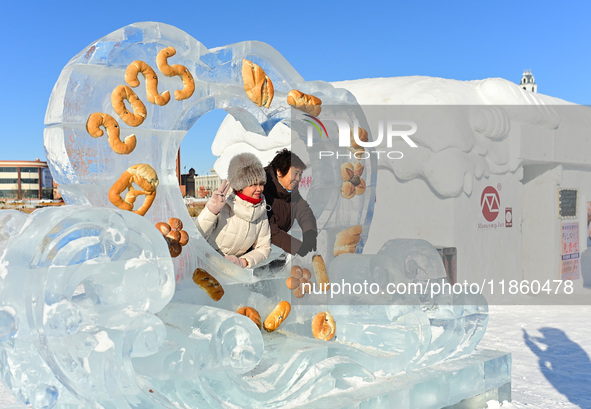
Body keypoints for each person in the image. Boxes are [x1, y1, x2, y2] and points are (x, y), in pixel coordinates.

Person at [195, 153, 271, 268]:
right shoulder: (222, 203)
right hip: (205, 264)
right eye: (253, 184)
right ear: (240, 184)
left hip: (233, 270)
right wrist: (211, 211)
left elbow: (264, 247)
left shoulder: (260, 209)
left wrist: (243, 262)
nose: (259, 189)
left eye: (261, 184)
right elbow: (196, 235)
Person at [264, 149, 317, 256]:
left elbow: (303, 210)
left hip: (278, 248)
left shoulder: (291, 191)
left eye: (300, 174)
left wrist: (309, 232)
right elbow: (268, 228)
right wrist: (296, 247)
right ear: (279, 171)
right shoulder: (261, 189)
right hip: (256, 250)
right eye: (295, 173)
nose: (298, 179)